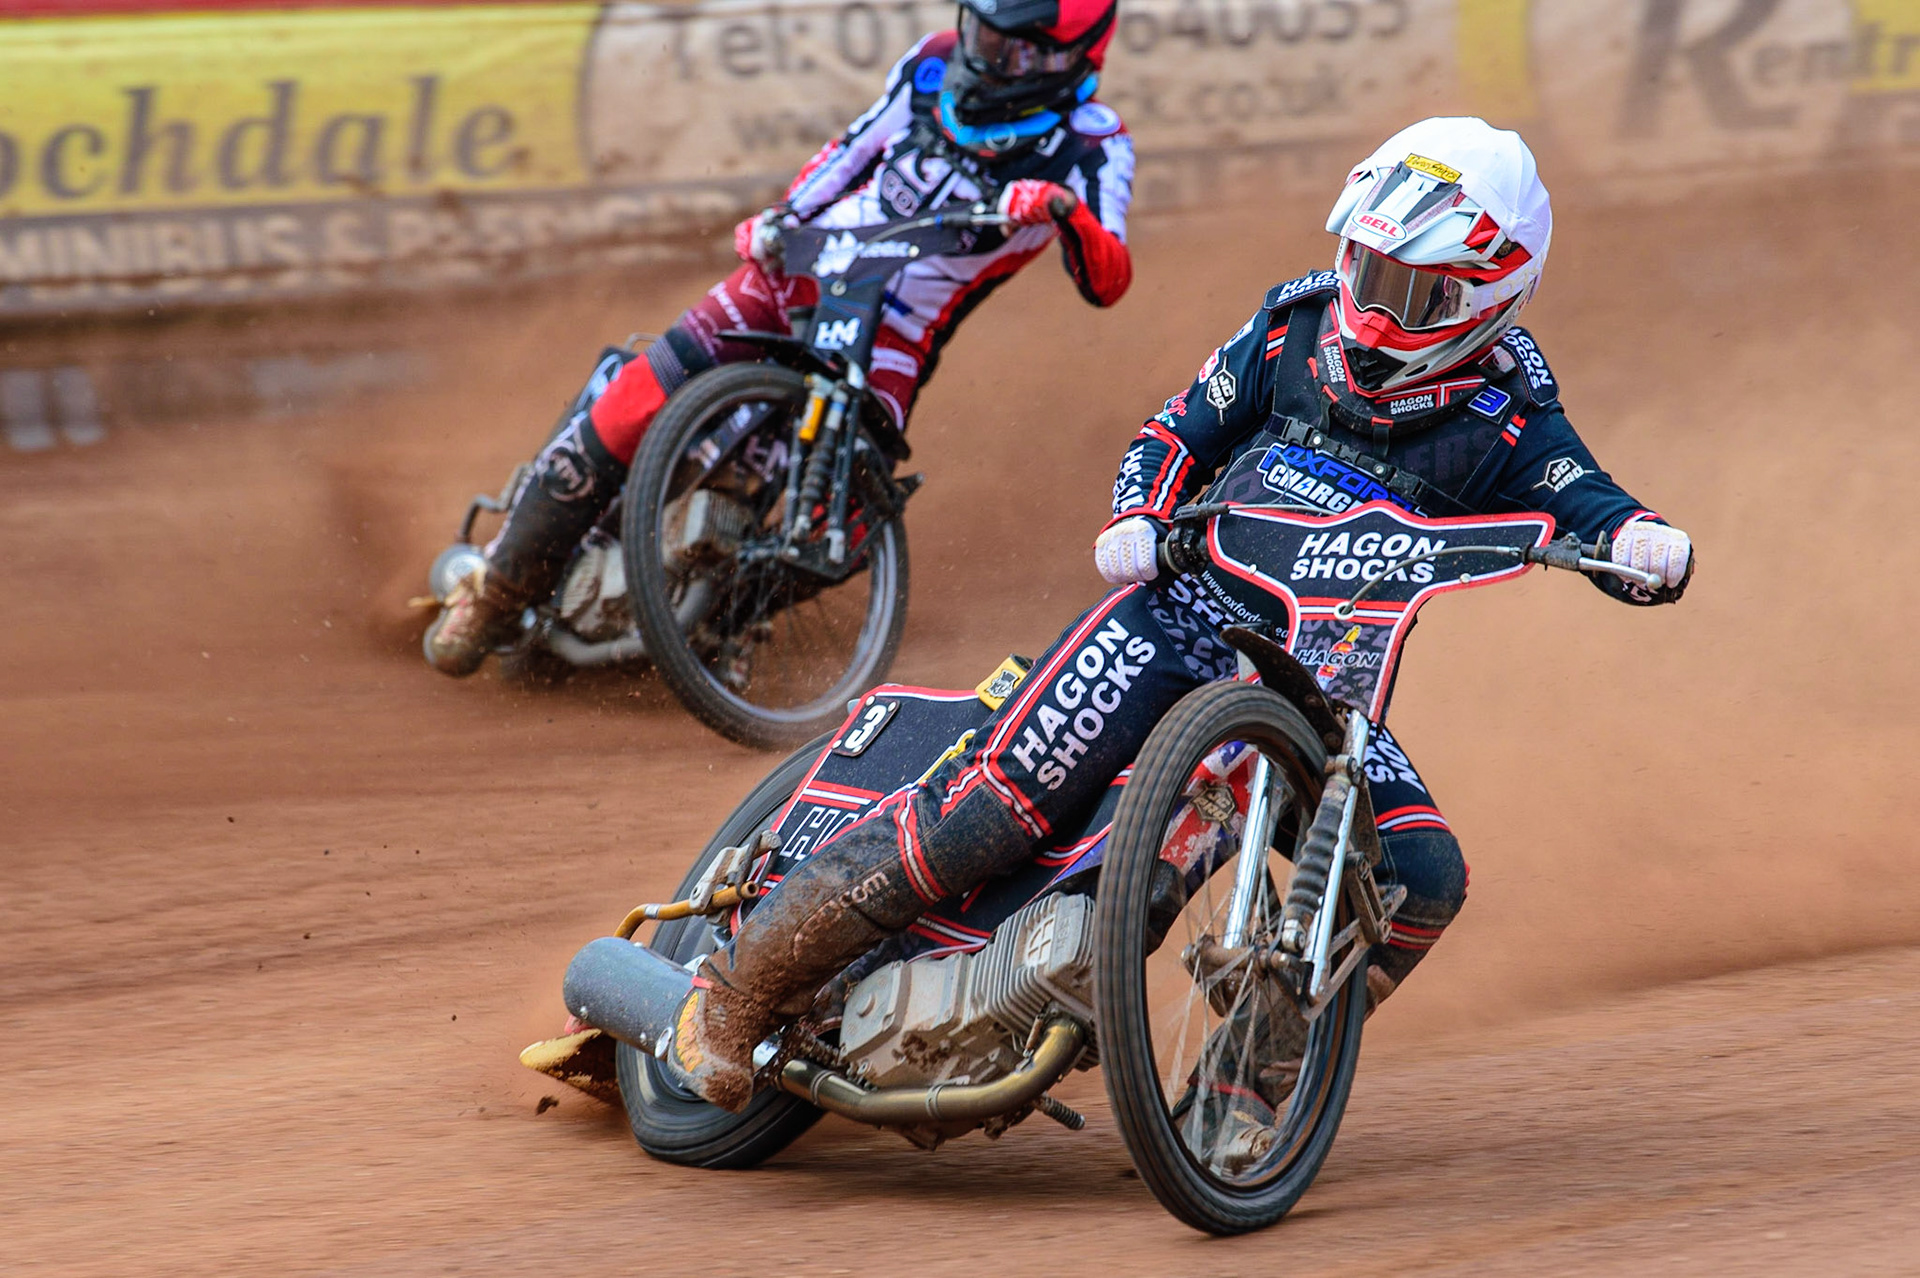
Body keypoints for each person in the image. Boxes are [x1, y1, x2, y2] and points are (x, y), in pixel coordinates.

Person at [665, 116, 1696, 1112]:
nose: (1376, 309)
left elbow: (1592, 506)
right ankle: (737, 991)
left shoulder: (1510, 412)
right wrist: (1138, 517)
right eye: (1367, 268)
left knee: (1422, 877)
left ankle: (1241, 1093)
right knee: (991, 808)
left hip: (1327, 684)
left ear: (1490, 296)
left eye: (1415, 291)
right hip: (1178, 613)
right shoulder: (1293, 329)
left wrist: (1644, 544)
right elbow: (1171, 435)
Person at [425, 0, 1135, 675]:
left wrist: (1061, 210)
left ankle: (718, 624)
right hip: (800, 271)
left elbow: (1108, 281)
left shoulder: (1094, 144)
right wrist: (782, 217)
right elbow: (852, 151)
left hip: (895, 333)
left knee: (848, 519)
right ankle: (494, 596)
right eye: (981, 33)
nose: (984, 56)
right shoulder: (933, 63)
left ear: (1065, 59)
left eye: (1009, 48)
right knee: (632, 400)